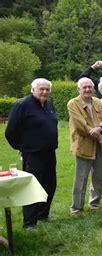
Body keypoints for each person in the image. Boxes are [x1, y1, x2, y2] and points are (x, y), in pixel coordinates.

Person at [5, 78, 58, 229]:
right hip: (33, 154)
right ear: (33, 89)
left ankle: (43, 214)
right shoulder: (22, 105)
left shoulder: (49, 105)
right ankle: (29, 222)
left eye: (47, 89)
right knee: (32, 186)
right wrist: (22, 147)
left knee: (50, 184)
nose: (45, 92)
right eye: (42, 89)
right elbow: (10, 131)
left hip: (49, 152)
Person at [67, 77, 102, 215]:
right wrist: (100, 136)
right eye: (84, 87)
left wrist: (100, 128)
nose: (87, 89)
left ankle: (95, 204)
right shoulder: (73, 104)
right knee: (81, 178)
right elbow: (81, 126)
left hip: (99, 145)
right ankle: (76, 208)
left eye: (89, 87)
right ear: (78, 89)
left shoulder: (97, 101)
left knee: (97, 176)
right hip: (83, 145)